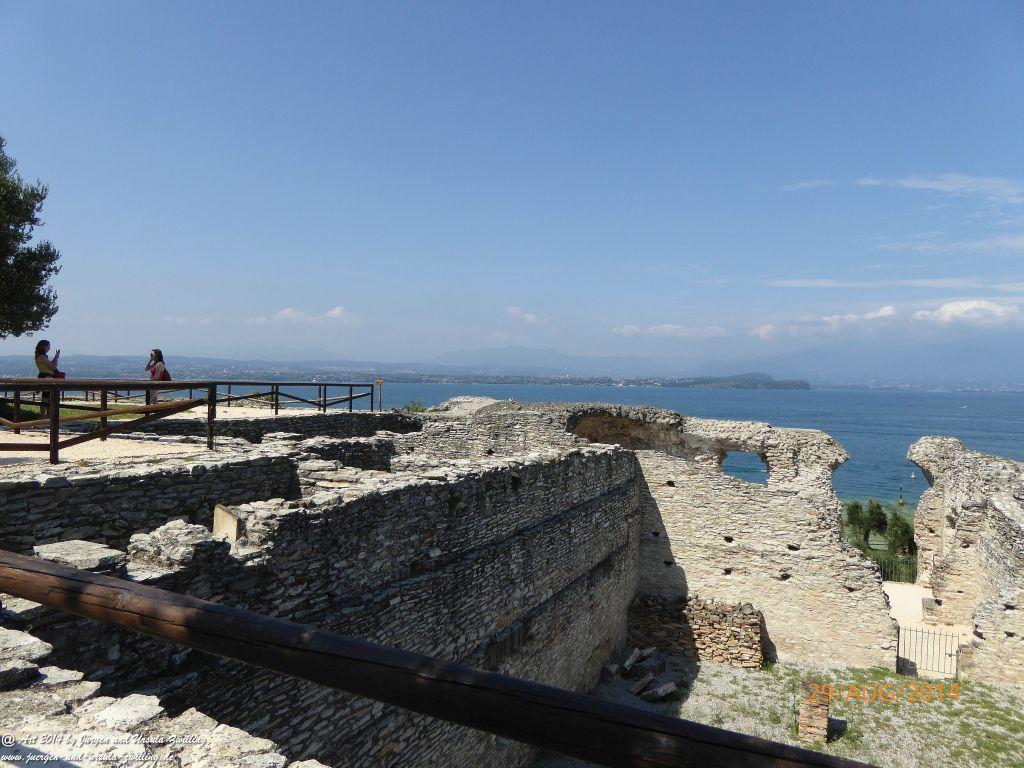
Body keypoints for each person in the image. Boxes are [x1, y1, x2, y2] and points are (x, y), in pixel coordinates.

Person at [34, 339, 61, 415]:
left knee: (46, 397)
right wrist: (56, 357)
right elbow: (53, 366)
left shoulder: (40, 357)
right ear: (44, 347)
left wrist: (56, 357)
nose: (49, 348)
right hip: (46, 377)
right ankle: (46, 416)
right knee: (47, 398)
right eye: (48, 346)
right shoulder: (42, 357)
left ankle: (46, 416)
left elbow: (51, 365)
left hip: (44, 376)